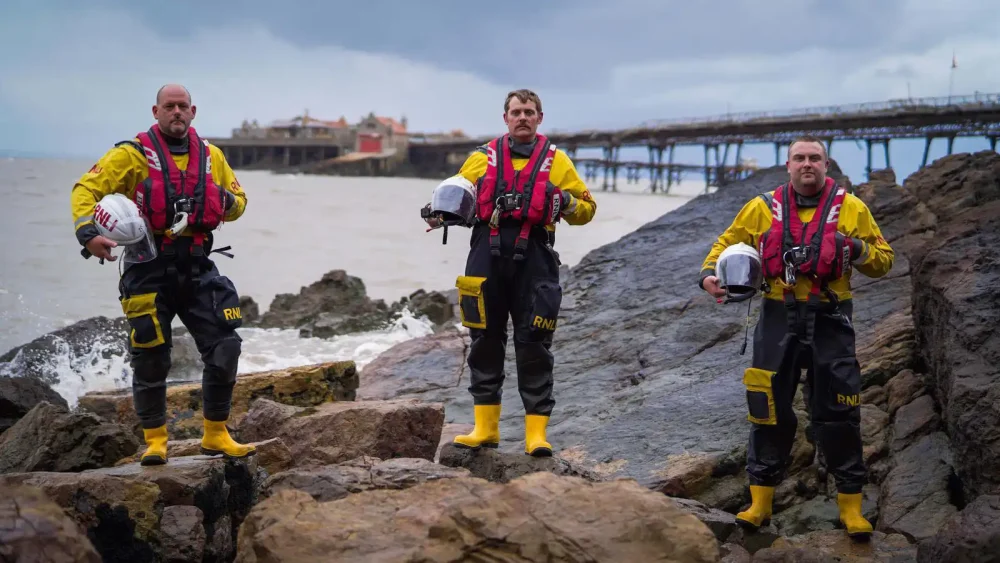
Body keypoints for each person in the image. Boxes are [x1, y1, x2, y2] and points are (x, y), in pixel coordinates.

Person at [699, 135, 894, 541]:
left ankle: (851, 508)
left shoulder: (852, 208)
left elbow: (883, 260)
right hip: (776, 316)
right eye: (800, 158)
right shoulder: (761, 208)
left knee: (840, 412)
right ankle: (760, 504)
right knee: (765, 408)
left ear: (827, 165)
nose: (807, 164)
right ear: (787, 165)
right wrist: (709, 277)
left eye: (815, 158)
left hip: (831, 318)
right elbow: (724, 245)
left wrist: (854, 247)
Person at [71, 84, 255, 466]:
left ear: (193, 112)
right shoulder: (130, 155)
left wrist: (222, 200)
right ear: (155, 112)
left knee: (226, 346)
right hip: (147, 268)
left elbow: (239, 204)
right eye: (169, 106)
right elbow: (85, 190)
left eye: (182, 106)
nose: (176, 112)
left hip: (199, 266)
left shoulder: (212, 157)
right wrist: (89, 235)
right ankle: (155, 441)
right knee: (151, 355)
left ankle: (216, 434)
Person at [423, 89, 597, 456]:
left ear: (539, 118)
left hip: (536, 258)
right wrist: (437, 214)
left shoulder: (559, 162)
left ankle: (536, 434)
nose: (522, 117)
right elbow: (457, 195)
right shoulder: (481, 158)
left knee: (534, 343)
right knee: (484, 340)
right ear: (505, 118)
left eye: (529, 112)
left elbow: (587, 210)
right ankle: (485, 429)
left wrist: (563, 200)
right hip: (485, 256)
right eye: (516, 112)